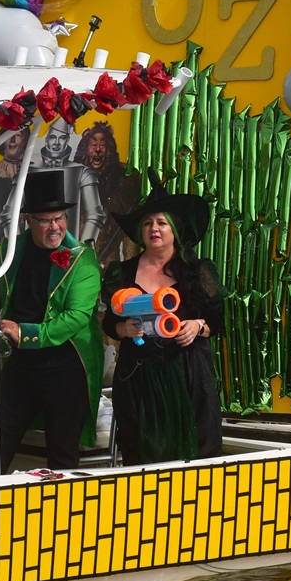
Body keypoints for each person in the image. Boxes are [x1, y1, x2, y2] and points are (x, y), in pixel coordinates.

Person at [102, 185, 224, 464]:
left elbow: (217, 321)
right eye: (147, 223)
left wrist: (198, 326)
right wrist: (124, 329)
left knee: (198, 453)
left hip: (189, 374)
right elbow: (109, 324)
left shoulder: (198, 271)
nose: (154, 229)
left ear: (175, 229)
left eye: (161, 222)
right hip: (138, 376)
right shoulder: (123, 273)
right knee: (141, 454)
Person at [0, 169, 102, 472]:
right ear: (29, 220)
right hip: (21, 364)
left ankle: (63, 503)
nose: (55, 227)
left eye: (60, 218)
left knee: (62, 453)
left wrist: (26, 333)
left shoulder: (82, 259)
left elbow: (76, 317)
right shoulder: (11, 250)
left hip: (65, 365)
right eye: (46, 220)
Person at [73, 121, 139, 265]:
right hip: (76, 257)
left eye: (102, 145)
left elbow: (129, 232)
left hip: (108, 259)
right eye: (93, 144)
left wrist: (130, 268)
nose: (98, 149)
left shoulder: (122, 182)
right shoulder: (73, 177)